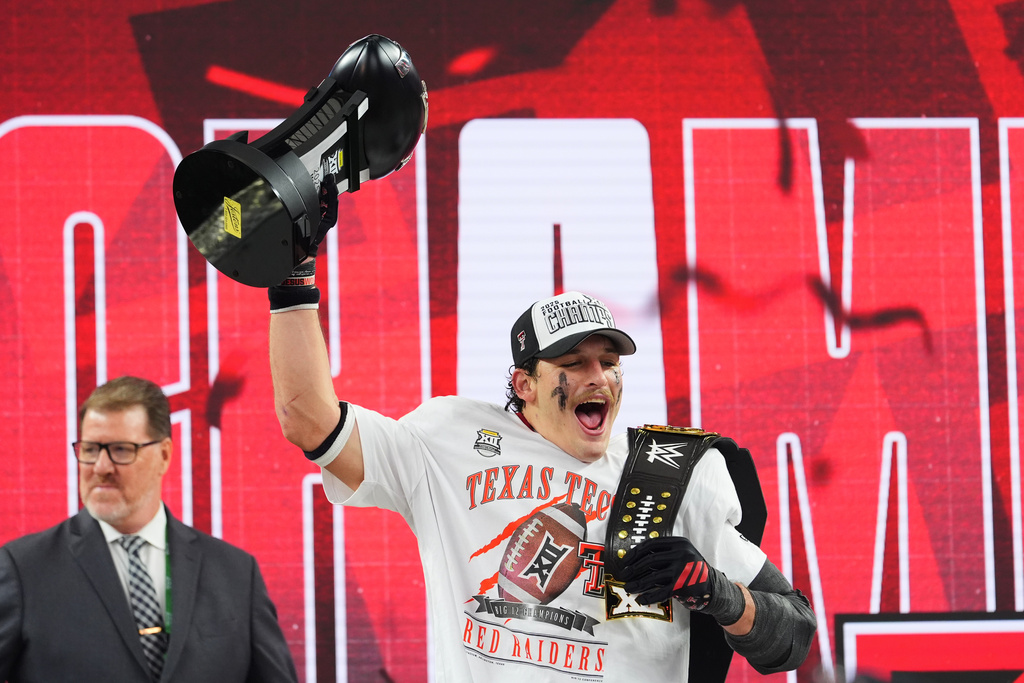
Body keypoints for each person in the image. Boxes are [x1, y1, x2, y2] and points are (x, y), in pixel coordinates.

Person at [266, 186, 816, 681]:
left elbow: (794, 635)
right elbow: (306, 416)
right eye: (573, 364)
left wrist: (721, 596)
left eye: (608, 362)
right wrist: (293, 273)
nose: (597, 377)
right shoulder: (448, 440)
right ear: (524, 383)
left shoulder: (668, 472)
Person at [0, 376, 298, 683]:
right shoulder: (24, 569)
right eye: (90, 449)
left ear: (164, 455)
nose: (101, 466)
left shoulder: (235, 573)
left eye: (121, 449)